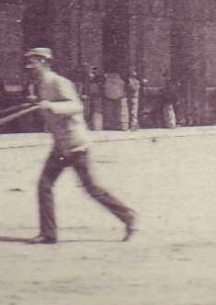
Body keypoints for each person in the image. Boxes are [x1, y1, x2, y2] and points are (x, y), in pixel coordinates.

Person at [24, 48, 137, 244]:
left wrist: (52, 107)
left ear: (44, 62)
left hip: (75, 144)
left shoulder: (59, 82)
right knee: (45, 185)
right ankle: (48, 234)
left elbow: (77, 106)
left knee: (91, 188)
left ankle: (128, 216)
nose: (29, 67)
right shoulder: (40, 85)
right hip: (61, 146)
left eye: (33, 62)